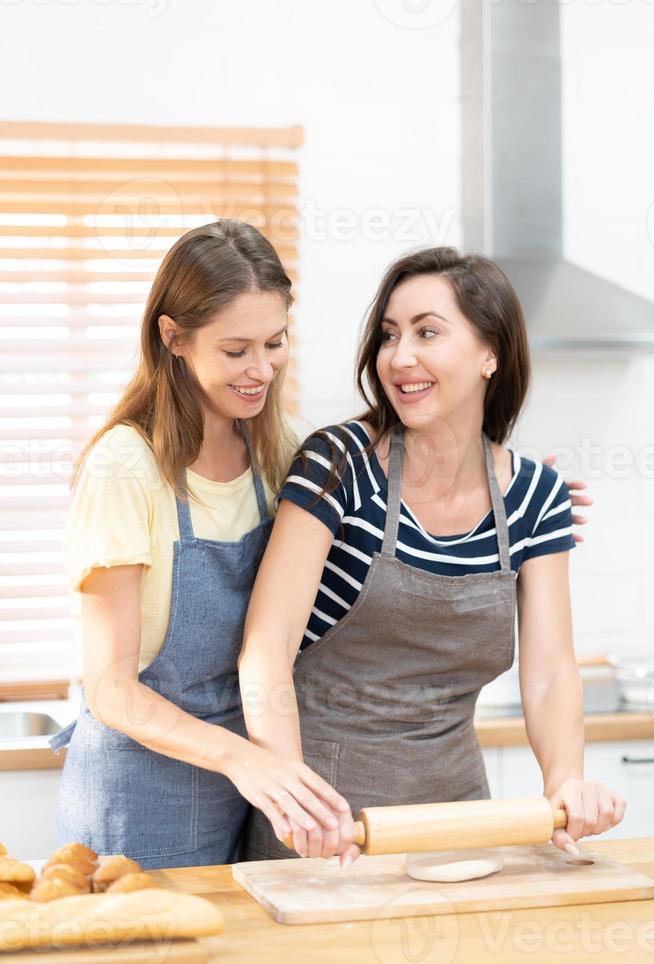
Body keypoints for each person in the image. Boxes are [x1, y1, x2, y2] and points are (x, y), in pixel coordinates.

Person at [238, 247, 626, 865]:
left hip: (462, 823)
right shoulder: (338, 465)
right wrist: (292, 797)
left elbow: (551, 671)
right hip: (323, 822)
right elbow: (266, 647)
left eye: (427, 332)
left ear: (489, 353)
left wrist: (565, 781)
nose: (400, 357)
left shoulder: (536, 498)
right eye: (390, 336)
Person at [50, 220, 352, 868]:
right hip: (135, 795)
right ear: (173, 338)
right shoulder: (125, 469)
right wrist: (245, 760)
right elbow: (110, 687)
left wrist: (503, 486)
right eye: (236, 349)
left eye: (276, 343)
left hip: (242, 791)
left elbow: (384, 513)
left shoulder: (279, 450)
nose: (262, 368)